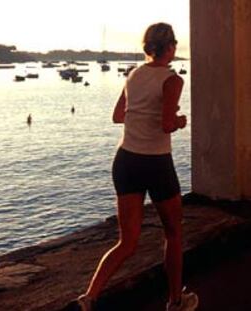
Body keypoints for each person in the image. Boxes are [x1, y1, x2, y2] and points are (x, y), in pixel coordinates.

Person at [77, 23, 198, 311]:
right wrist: (180, 121)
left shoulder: (133, 74)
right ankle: (175, 302)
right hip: (155, 163)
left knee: (127, 242)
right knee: (173, 233)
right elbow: (167, 124)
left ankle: (88, 298)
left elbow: (119, 116)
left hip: (126, 160)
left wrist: (143, 113)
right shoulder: (172, 80)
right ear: (170, 47)